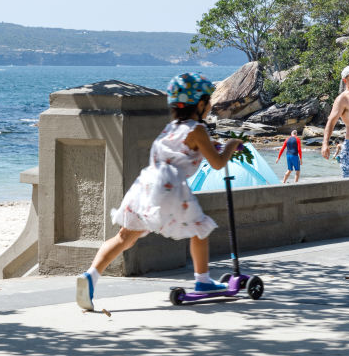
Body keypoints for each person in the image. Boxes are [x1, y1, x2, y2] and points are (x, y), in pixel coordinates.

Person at [75, 73, 243, 311]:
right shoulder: (197, 129)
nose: (210, 106)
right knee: (200, 228)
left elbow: (184, 151)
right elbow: (217, 163)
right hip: (170, 188)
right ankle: (203, 281)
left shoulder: (171, 128)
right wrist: (230, 146)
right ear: (200, 104)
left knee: (125, 237)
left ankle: (90, 276)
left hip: (146, 185)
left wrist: (209, 147)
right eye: (209, 101)